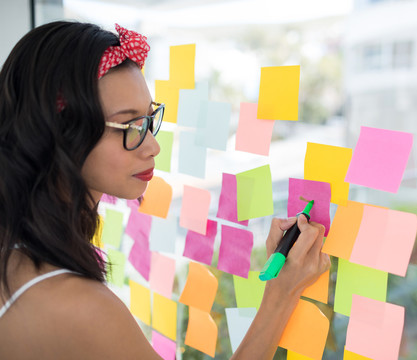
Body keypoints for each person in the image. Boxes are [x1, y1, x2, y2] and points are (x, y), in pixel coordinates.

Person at [0, 21, 330, 359]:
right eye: (129, 126)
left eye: (149, 119)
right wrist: (282, 292)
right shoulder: (77, 304)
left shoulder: (16, 251)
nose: (152, 146)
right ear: (58, 133)